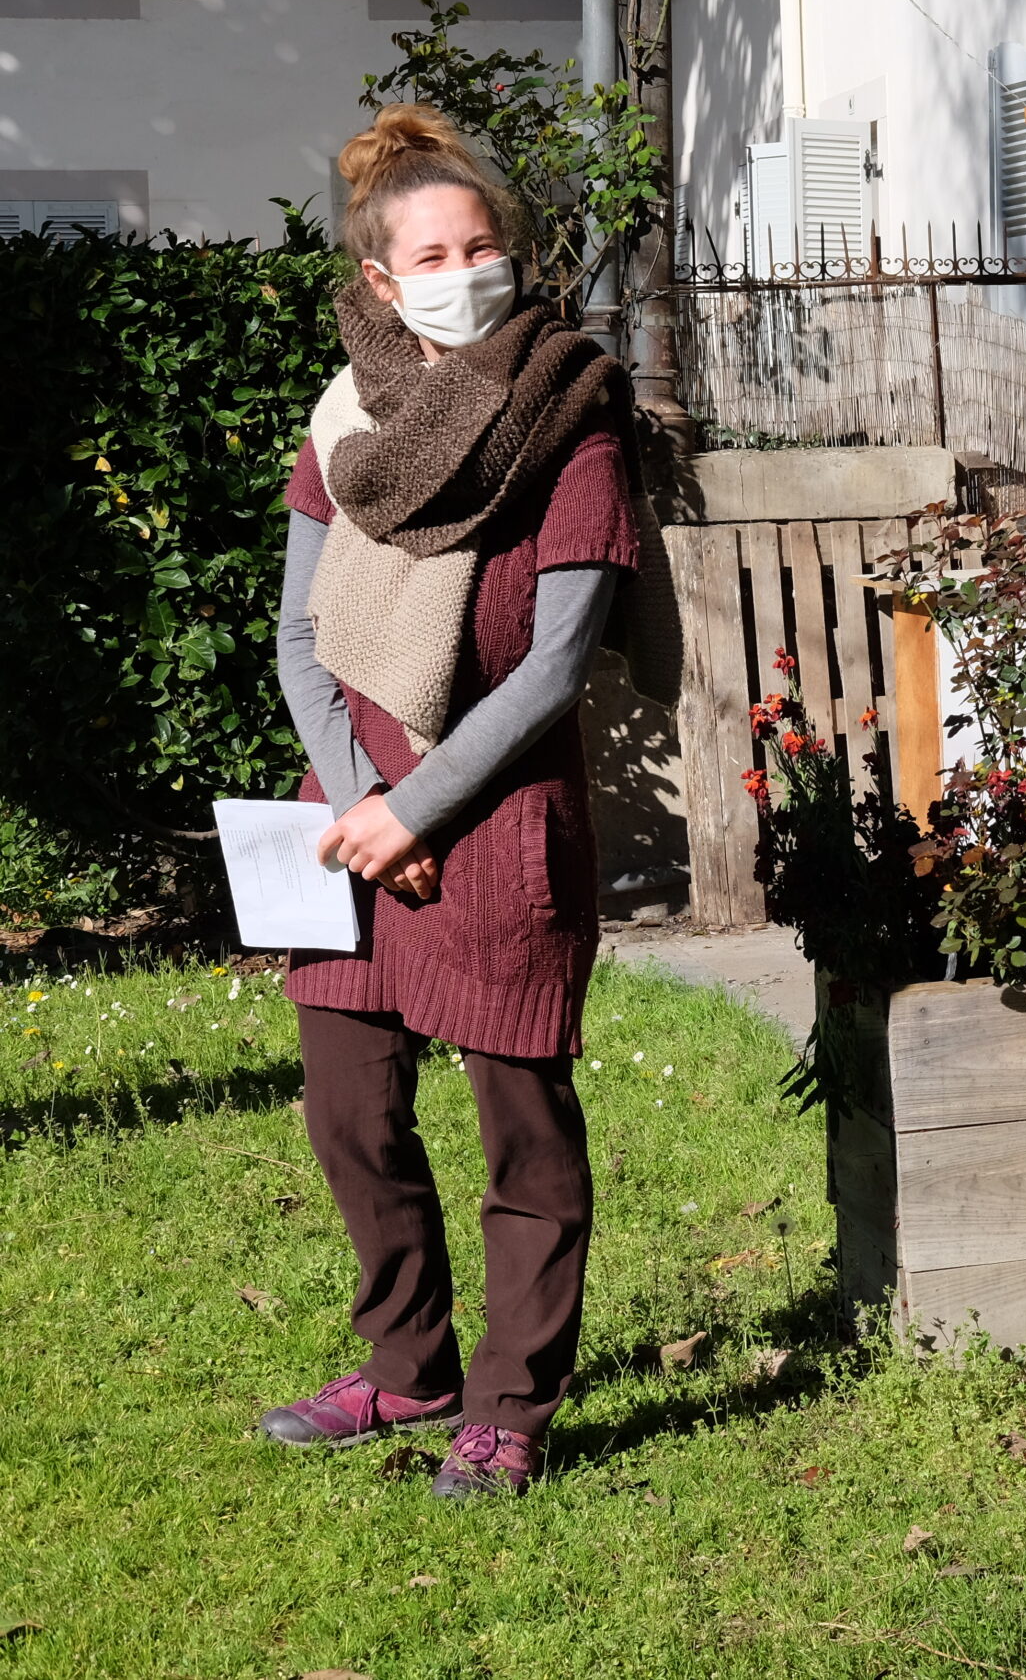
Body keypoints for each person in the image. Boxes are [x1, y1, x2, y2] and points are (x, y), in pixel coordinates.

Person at [254, 102, 673, 1499]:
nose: (461, 267)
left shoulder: (574, 425)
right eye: (430, 251)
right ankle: (408, 1364)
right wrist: (366, 799)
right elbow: (297, 637)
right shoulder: (344, 421)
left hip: (491, 816)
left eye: (480, 243)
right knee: (348, 1111)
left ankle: (510, 1398)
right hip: (349, 809)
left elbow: (555, 666)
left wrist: (419, 811)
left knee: (520, 1118)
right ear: (380, 280)